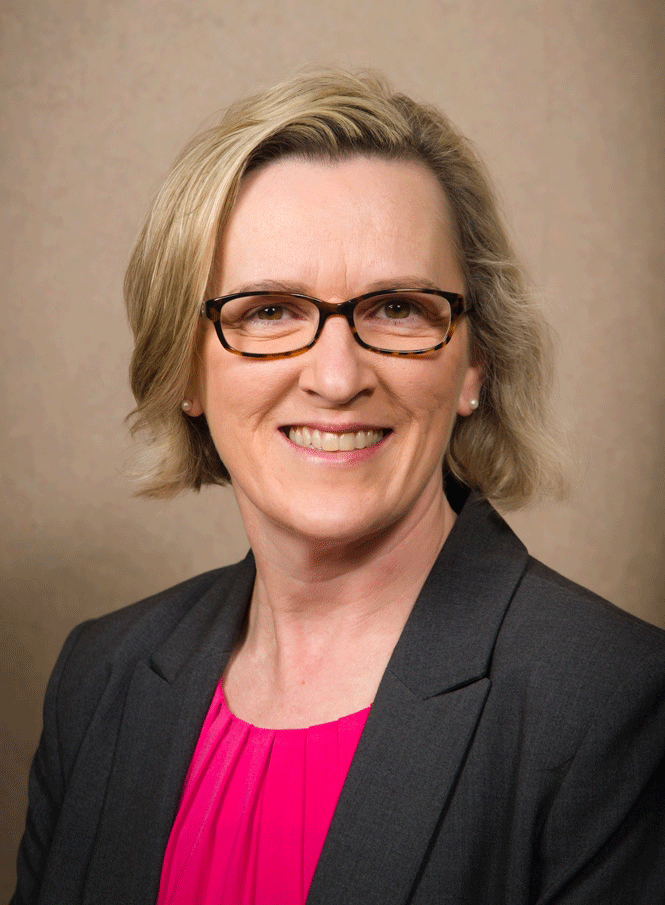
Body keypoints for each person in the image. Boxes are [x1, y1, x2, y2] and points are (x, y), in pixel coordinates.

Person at [12, 68, 665, 905]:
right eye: (267, 310)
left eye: (397, 307)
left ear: (474, 362)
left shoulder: (612, 699)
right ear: (185, 367)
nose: (335, 376)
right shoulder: (100, 674)